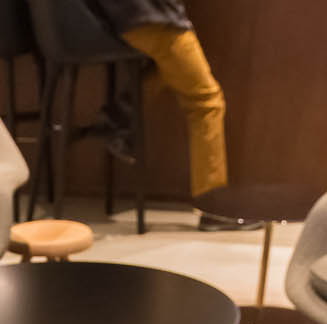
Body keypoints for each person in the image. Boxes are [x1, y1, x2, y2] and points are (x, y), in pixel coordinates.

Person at [88, 0, 229, 221]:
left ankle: (121, 112)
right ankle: (213, 207)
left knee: (171, 67)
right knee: (207, 102)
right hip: (150, 18)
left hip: (116, 20)